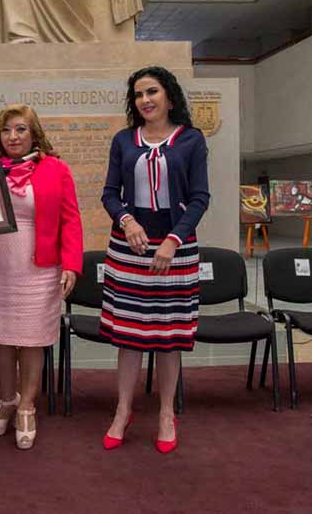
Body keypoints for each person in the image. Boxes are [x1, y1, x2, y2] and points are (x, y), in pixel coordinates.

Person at [100, 66, 209, 454]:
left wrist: (173, 240)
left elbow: (199, 198)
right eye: (138, 94)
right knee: (129, 337)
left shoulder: (192, 140)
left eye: (152, 92)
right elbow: (110, 194)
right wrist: (126, 221)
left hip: (175, 250)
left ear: (169, 97)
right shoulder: (123, 140)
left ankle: (166, 413)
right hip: (129, 248)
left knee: (167, 337)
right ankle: (122, 410)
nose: (144, 100)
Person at [0, 104, 82, 449]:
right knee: (2, 338)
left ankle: (27, 407)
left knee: (32, 340)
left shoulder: (56, 169)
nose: (13, 136)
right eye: (6, 130)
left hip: (39, 268)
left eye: (20, 129)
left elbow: (71, 220)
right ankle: (7, 400)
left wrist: (72, 265)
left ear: (34, 133)